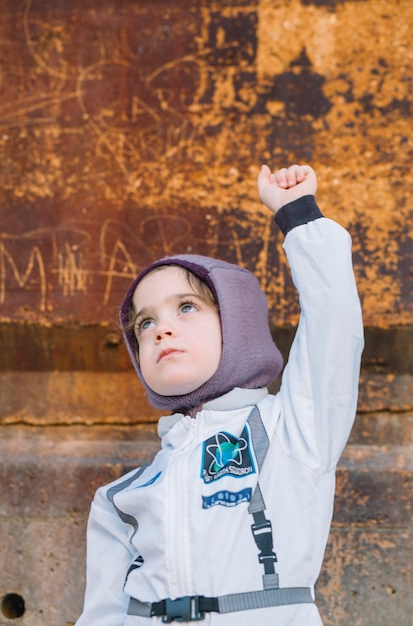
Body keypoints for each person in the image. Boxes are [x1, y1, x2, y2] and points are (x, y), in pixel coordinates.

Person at [75, 164, 364, 626]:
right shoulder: (120, 497)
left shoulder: (293, 435)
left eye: (186, 307)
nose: (160, 328)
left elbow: (335, 328)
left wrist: (299, 217)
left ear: (239, 323)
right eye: (144, 322)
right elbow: (103, 614)